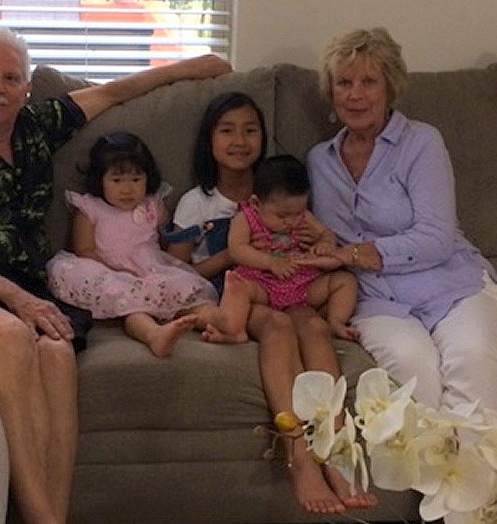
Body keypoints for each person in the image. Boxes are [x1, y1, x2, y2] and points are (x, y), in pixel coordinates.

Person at [0, 25, 231, 524]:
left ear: (26, 89)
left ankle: (51, 515)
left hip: (20, 289)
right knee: (12, 336)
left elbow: (113, 92)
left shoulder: (35, 128)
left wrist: (191, 68)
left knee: (56, 352)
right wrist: (18, 298)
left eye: (10, 78)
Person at [168, 91, 376, 514]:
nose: (239, 140)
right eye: (227, 130)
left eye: (250, 130)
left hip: (290, 285)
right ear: (209, 140)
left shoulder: (283, 192)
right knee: (279, 328)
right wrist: (238, 256)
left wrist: (313, 243)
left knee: (313, 327)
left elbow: (320, 240)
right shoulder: (197, 202)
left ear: (263, 137)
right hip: (239, 291)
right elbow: (176, 271)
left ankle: (335, 449)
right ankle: (299, 456)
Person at [306, 27, 497, 412]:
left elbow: (436, 238)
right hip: (375, 298)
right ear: (331, 91)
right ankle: (426, 456)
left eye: (368, 82)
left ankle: (474, 455)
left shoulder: (422, 142)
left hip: (451, 284)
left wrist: (351, 254)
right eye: (344, 83)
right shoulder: (319, 161)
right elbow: (317, 232)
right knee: (411, 368)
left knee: (473, 358)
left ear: (390, 87)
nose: (355, 95)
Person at [46, 132, 218, 358]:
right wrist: (116, 271)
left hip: (149, 268)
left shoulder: (152, 205)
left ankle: (220, 321)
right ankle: (154, 335)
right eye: (117, 180)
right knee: (132, 307)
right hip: (107, 269)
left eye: (136, 180)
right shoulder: (90, 208)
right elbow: (84, 250)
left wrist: (190, 236)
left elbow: (166, 239)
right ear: (100, 179)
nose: (127, 189)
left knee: (186, 296)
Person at [215, 154, 359, 344]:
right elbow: (237, 250)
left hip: (302, 283)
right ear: (256, 203)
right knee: (237, 287)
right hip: (262, 283)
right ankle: (234, 329)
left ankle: (335, 322)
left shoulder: (304, 217)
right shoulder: (245, 218)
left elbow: (327, 234)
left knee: (346, 281)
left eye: (298, 213)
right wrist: (270, 262)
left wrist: (324, 243)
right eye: (282, 216)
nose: (291, 221)